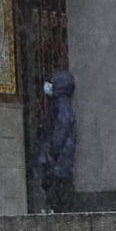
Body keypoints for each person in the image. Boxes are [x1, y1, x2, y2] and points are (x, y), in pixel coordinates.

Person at [32, 69, 78, 213]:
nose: (48, 86)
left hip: (58, 162)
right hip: (61, 162)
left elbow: (60, 132)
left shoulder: (61, 106)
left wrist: (50, 154)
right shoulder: (60, 105)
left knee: (58, 194)